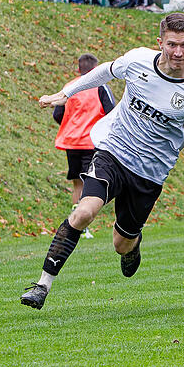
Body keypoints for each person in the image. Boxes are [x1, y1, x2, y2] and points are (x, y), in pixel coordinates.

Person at [20, 13, 184, 310]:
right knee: (84, 212)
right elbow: (103, 73)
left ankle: (133, 247)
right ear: (160, 42)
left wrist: (164, 157)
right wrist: (65, 93)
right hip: (113, 152)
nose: (177, 52)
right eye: (172, 44)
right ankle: (42, 286)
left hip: (149, 172)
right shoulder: (138, 61)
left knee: (121, 243)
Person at [52, 53, 116, 238]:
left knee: (77, 183)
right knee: (90, 183)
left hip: (71, 142)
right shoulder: (100, 87)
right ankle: (82, 225)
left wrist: (71, 127)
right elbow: (112, 113)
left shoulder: (69, 86)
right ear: (96, 70)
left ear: (78, 69)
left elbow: (58, 113)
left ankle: (75, 220)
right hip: (91, 141)